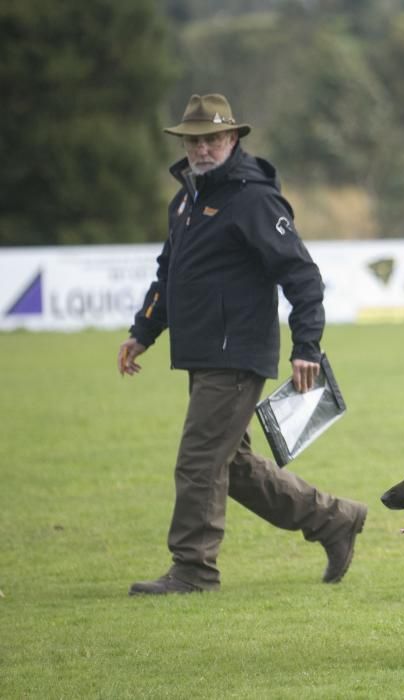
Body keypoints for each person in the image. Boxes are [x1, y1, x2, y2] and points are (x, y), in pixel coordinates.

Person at [119, 94, 366, 595]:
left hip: (235, 355)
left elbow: (302, 275)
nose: (203, 148)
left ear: (233, 140)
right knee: (232, 466)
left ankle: (193, 569)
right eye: (194, 140)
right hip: (203, 352)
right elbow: (171, 273)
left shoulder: (253, 198)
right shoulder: (187, 198)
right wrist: (143, 331)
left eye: (213, 139)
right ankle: (334, 519)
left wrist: (307, 347)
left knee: (198, 460)